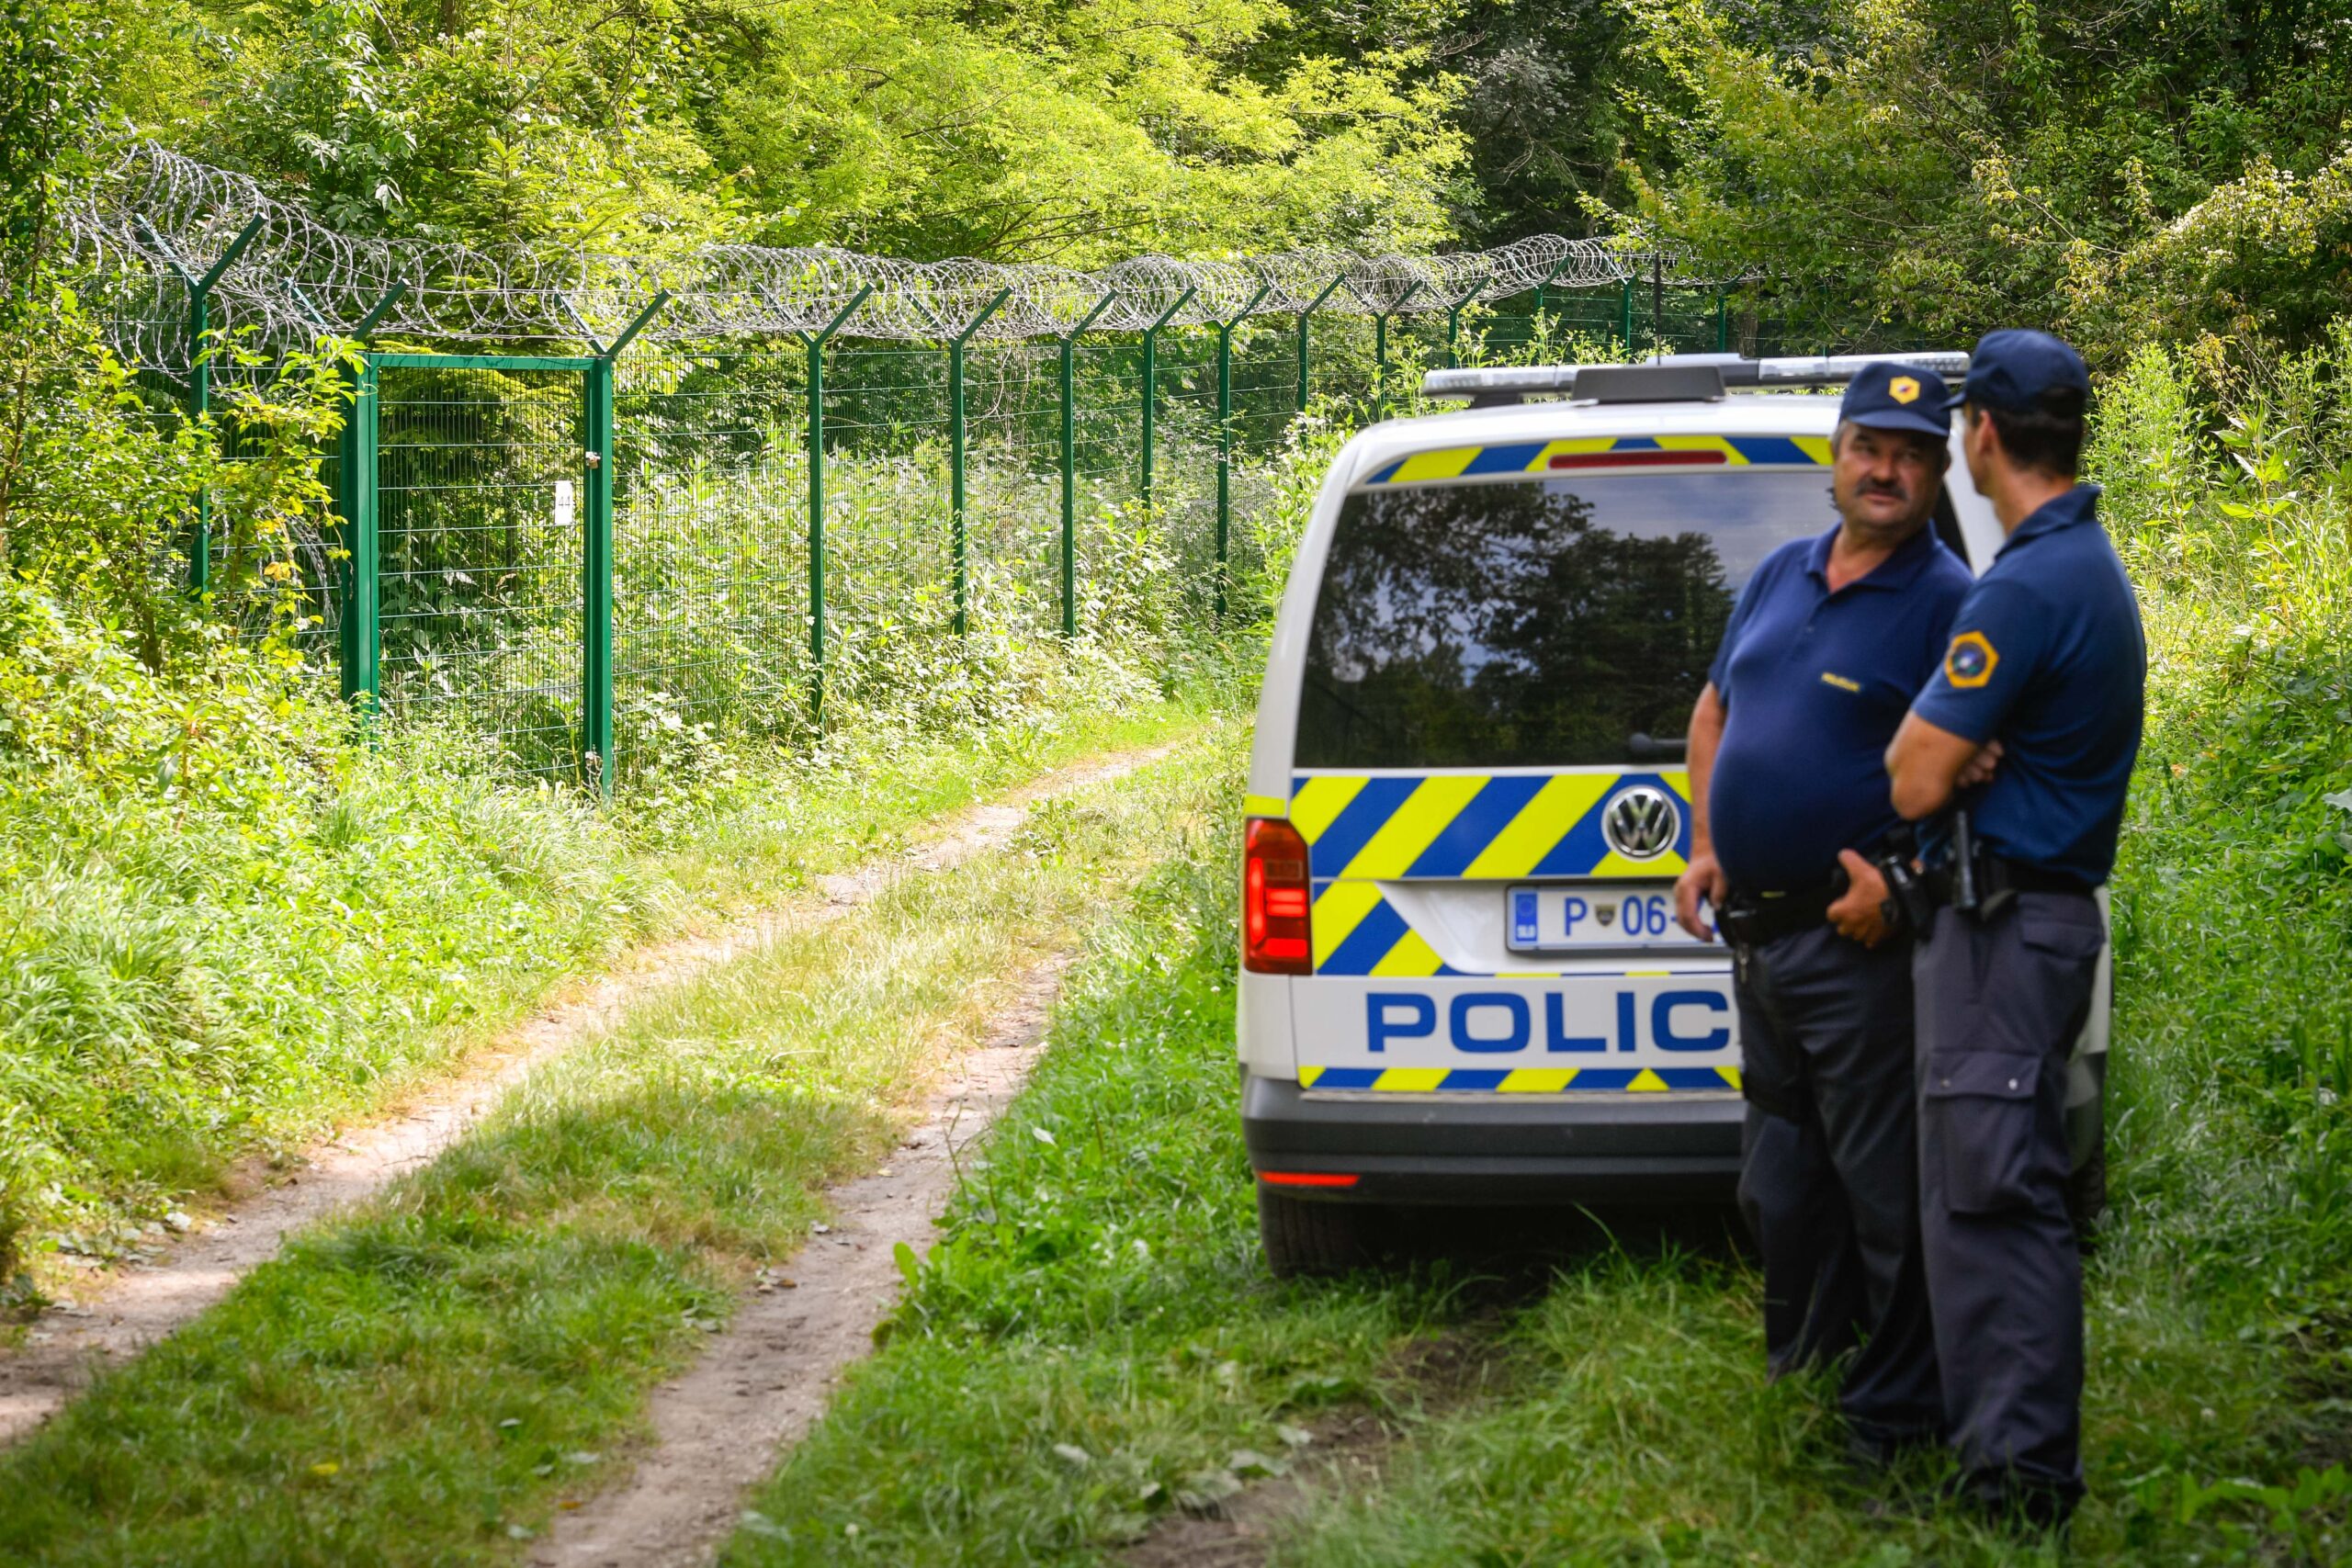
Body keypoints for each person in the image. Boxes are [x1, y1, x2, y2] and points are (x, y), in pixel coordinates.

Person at [1673, 360, 1976, 1464]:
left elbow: (1984, 769)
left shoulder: (1949, 603)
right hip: (1756, 942)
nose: (1883, 469)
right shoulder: (1780, 575)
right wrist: (1707, 843)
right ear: (1836, 456)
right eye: (1868, 446)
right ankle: (1804, 1366)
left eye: (1909, 453)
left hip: (1857, 947)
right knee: (1784, 1182)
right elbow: (1714, 710)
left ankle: (1898, 1418)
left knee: (1886, 1189)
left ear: (1937, 471)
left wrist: (1897, 884)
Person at [1884, 328, 2145, 1529]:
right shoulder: (2070, 563)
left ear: (1979, 433)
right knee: (1994, 1187)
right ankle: (1998, 1455)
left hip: (2006, 929)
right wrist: (1958, 748)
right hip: (2017, 926)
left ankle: (2019, 1485)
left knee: (1999, 1200)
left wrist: (1946, 751)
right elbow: (1947, 756)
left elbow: (1911, 776)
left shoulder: (2032, 580)